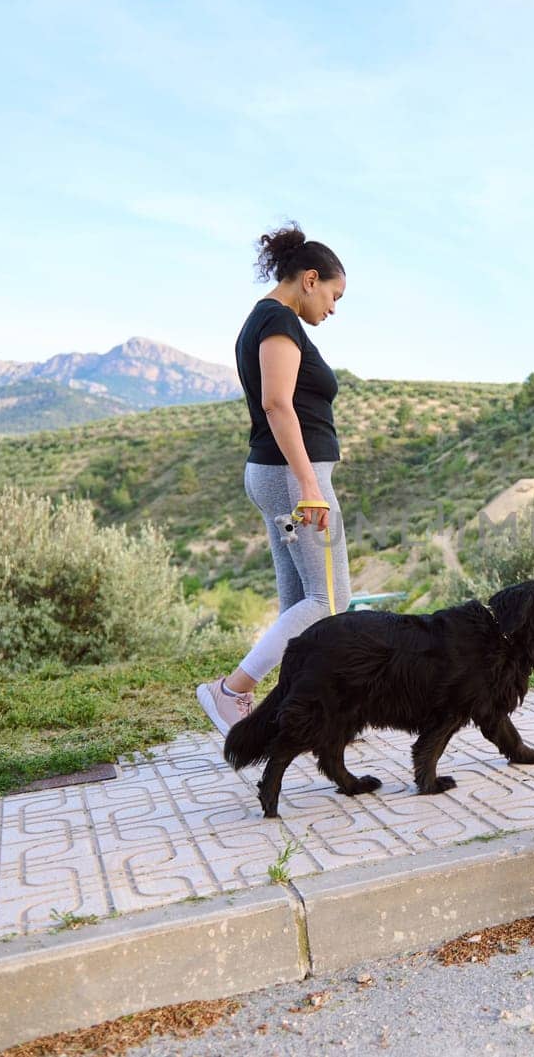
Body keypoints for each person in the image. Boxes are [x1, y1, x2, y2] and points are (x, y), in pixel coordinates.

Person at [196, 223, 352, 734]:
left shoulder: (264, 321)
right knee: (328, 601)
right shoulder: (278, 323)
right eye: (333, 294)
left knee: (298, 605)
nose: (333, 308)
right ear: (310, 279)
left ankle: (296, 711)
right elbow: (277, 404)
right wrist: (309, 485)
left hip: (274, 474)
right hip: (291, 476)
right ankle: (230, 691)